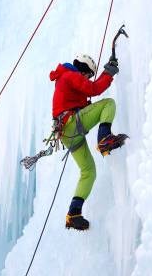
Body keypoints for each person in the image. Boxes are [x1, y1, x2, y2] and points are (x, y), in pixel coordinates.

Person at [49, 53, 128, 230]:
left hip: (67, 134)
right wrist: (109, 72)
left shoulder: (65, 79)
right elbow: (94, 89)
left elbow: (84, 94)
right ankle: (104, 139)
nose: (88, 78)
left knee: (89, 171)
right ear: (83, 68)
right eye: (89, 74)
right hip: (71, 124)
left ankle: (73, 213)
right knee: (108, 104)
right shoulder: (70, 75)